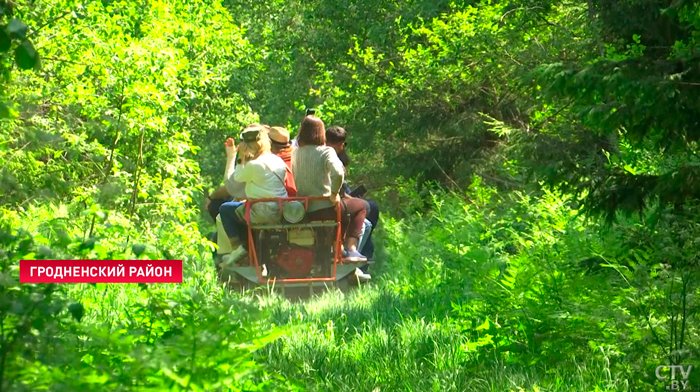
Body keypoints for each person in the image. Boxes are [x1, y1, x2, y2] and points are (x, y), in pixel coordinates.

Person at [291, 115, 368, 265]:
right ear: (321, 132)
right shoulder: (326, 152)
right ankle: (351, 248)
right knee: (361, 206)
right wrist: (333, 194)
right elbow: (338, 173)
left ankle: (338, 246)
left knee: (345, 211)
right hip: (325, 207)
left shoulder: (295, 153)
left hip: (305, 209)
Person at [219, 124, 289, 266]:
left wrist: (240, 157)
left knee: (225, 209)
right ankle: (245, 249)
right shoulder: (277, 160)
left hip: (260, 211)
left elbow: (236, 178)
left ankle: (238, 249)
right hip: (281, 209)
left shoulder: (254, 165)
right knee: (239, 207)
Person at [326, 125, 380, 261]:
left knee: (369, 209)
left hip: (333, 196)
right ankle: (352, 253)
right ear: (342, 144)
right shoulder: (329, 157)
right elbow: (337, 182)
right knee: (366, 214)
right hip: (330, 201)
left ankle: (358, 256)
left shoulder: (313, 154)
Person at [269, 126, 297, 196]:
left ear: (269, 144)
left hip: (282, 204)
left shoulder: (271, 162)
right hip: (304, 203)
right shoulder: (299, 157)